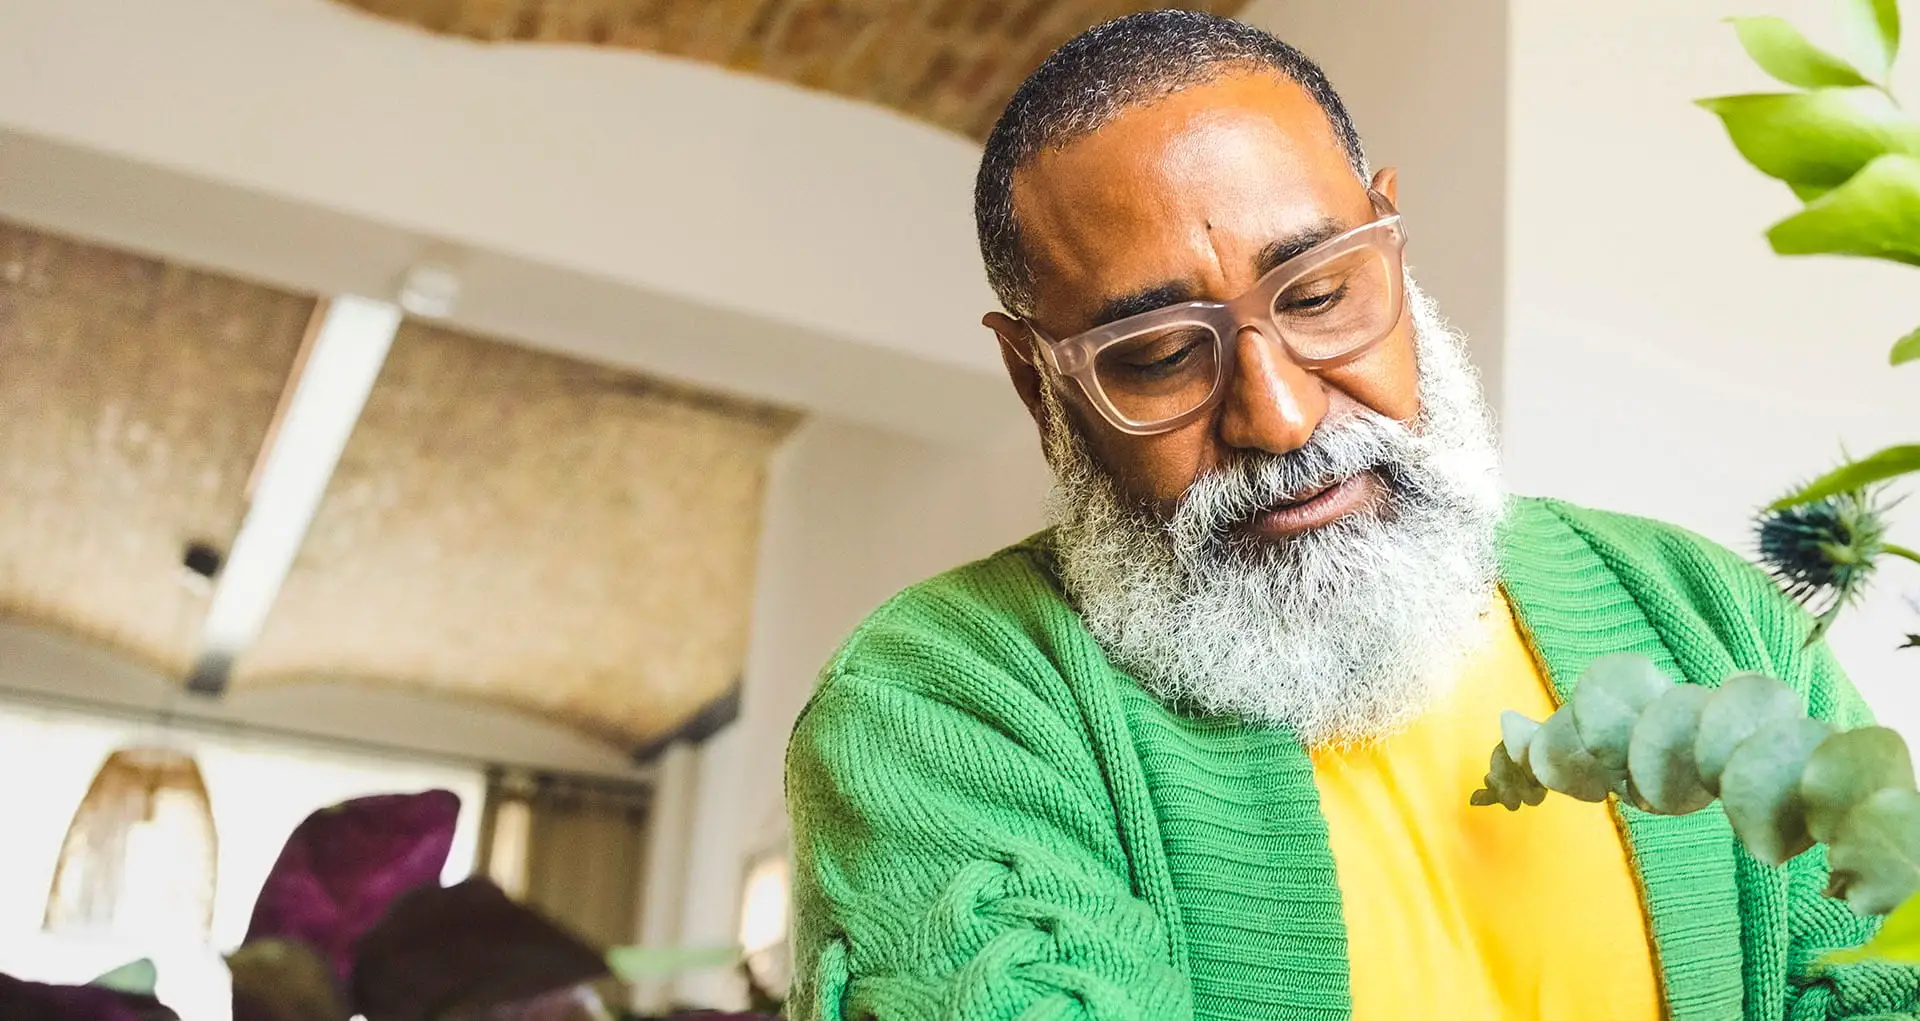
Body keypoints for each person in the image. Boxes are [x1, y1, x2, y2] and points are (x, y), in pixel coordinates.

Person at [784, 11, 1906, 1020]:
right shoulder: (937, 700)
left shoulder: (1709, 616)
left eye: (1320, 293)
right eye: (1162, 356)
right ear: (1039, 385)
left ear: (1392, 241)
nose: (1278, 416)